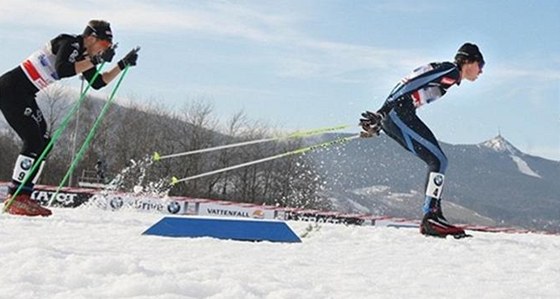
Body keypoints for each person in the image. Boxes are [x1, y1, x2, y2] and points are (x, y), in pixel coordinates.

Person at [0, 20, 139, 216]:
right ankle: (14, 197)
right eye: (105, 45)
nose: (105, 49)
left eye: (108, 47)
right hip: (10, 90)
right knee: (32, 140)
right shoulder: (70, 42)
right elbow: (62, 69)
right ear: (91, 38)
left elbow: (98, 83)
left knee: (44, 143)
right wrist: (98, 60)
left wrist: (122, 65)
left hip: (25, 94)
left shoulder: (86, 56)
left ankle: (25, 195)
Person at [359, 42, 484, 238]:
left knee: (437, 160)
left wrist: (381, 118)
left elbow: (407, 81)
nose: (481, 71)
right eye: (481, 65)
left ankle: (433, 215)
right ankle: (431, 217)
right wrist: (383, 112)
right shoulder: (450, 70)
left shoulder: (447, 72)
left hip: (396, 114)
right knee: (439, 160)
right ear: (468, 61)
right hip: (400, 113)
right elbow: (412, 82)